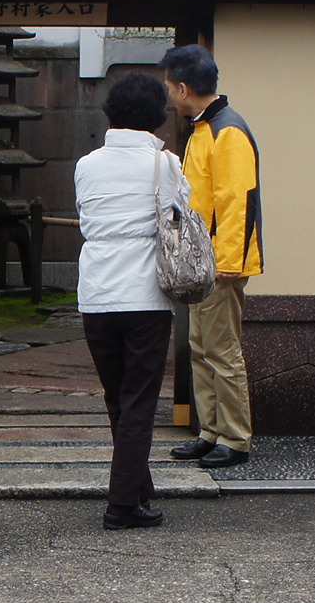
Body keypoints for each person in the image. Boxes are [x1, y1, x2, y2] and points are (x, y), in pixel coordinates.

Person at [75, 72, 187, 530]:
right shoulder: (166, 164)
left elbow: (87, 214)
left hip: (96, 293)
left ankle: (137, 489)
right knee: (139, 400)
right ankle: (122, 505)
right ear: (157, 117)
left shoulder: (86, 164)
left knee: (118, 399)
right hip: (144, 294)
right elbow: (182, 215)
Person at [161, 43, 260, 468]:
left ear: (183, 89)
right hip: (207, 264)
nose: (168, 95)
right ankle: (211, 431)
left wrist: (227, 265)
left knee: (221, 351)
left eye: (169, 87)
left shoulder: (226, 131)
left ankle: (234, 438)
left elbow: (239, 201)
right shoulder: (208, 127)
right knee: (201, 348)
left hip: (220, 265)